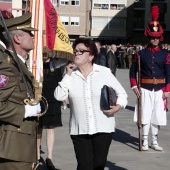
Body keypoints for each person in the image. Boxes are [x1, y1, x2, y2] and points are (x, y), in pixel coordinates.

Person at [54, 38, 128, 170]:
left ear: (91, 56)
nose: (76, 53)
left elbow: (122, 94)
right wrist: (68, 74)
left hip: (103, 128)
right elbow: (59, 96)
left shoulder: (104, 72)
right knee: (84, 166)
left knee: (98, 166)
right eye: (75, 51)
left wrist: (118, 106)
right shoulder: (71, 76)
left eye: (81, 51)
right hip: (79, 130)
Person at [0, 12, 41, 170]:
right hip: (13, 149)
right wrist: (24, 111)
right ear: (17, 38)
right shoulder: (8, 67)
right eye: (29, 34)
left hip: (20, 147)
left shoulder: (18, 64)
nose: (33, 37)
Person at [129, 6, 170, 151]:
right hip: (144, 89)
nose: (155, 40)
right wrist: (134, 87)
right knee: (145, 116)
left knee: (157, 116)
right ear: (148, 37)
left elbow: (168, 73)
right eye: (153, 37)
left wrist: (167, 90)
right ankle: (145, 141)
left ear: (160, 37)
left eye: (157, 37)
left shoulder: (165, 54)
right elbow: (132, 72)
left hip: (160, 90)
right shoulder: (140, 54)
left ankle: (154, 141)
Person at [37, 51, 63, 170]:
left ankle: (49, 157)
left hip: (52, 99)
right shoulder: (36, 65)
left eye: (47, 52)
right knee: (38, 128)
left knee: (50, 128)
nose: (45, 54)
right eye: (43, 52)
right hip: (39, 98)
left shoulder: (55, 65)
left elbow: (61, 82)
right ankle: (37, 156)